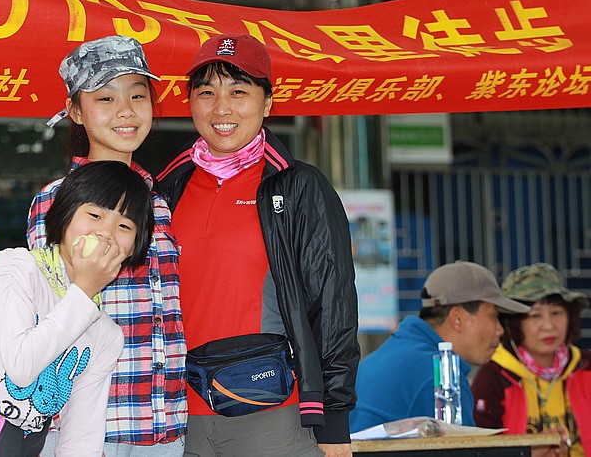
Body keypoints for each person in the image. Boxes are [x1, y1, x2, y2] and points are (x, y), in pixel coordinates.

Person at [156, 33, 359, 457]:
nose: (221, 108)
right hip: (175, 418)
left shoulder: (298, 186)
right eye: (206, 93)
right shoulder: (165, 188)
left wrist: (334, 418)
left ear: (267, 103)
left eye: (239, 92)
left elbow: (333, 304)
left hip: (272, 414)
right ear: (189, 102)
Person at [0, 160, 154, 456]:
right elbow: (21, 368)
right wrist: (84, 290)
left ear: (134, 246)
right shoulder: (15, 268)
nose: (106, 233)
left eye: (124, 225)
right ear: (65, 215)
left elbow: (81, 438)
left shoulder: (106, 334)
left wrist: (83, 293)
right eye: (95, 215)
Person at [27, 35, 186, 456]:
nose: (126, 111)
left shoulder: (159, 201)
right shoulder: (58, 200)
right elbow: (52, 311)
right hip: (89, 429)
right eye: (106, 98)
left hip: (164, 426)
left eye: (137, 95)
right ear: (76, 111)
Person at [349, 260, 530, 433]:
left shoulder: (400, 351)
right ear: (457, 318)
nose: (500, 330)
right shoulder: (441, 374)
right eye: (493, 316)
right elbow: (465, 448)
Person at [472, 262, 590, 457]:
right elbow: (481, 451)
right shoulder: (494, 378)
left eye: (556, 313)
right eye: (535, 316)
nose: (548, 326)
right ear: (512, 323)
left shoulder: (586, 367)